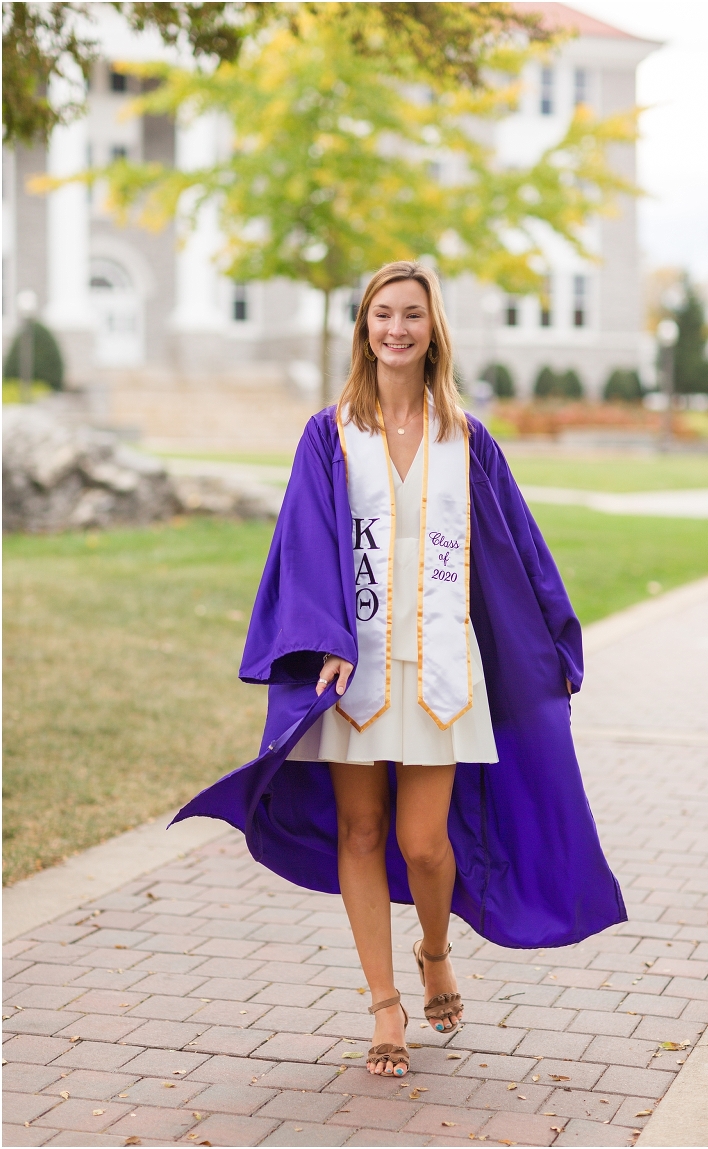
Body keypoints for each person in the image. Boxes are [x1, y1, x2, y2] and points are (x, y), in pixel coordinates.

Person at [172, 261, 626, 1080]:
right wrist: (326, 634)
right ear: (364, 326)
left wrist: (553, 637)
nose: (396, 328)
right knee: (362, 829)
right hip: (356, 666)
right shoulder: (332, 430)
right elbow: (305, 541)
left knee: (423, 846)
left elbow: (519, 548)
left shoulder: (467, 437)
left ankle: (434, 946)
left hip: (445, 668)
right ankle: (384, 1006)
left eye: (412, 314)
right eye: (383, 313)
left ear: (432, 328)